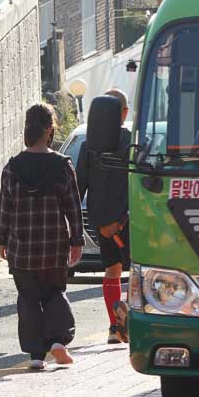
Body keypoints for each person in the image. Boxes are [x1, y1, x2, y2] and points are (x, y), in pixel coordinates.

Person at [0, 103, 84, 371]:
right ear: (49, 130)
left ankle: (36, 355)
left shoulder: (12, 167)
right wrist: (76, 240)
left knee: (29, 298)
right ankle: (58, 341)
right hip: (54, 246)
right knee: (55, 291)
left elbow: (4, 208)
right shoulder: (62, 165)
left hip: (21, 249)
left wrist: (2, 239)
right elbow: (73, 207)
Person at [76, 88, 132, 345]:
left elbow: (79, 187)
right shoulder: (131, 142)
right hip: (131, 219)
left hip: (102, 223)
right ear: (124, 113)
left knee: (112, 271)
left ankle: (114, 326)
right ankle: (128, 325)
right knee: (137, 273)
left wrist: (91, 223)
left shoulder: (88, 146)